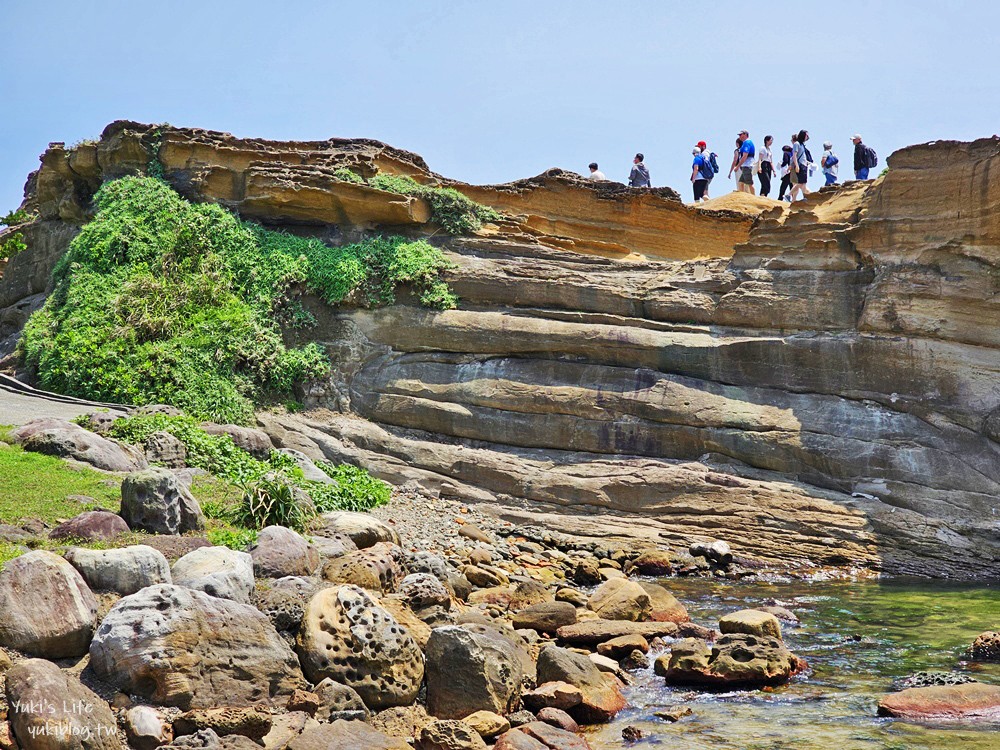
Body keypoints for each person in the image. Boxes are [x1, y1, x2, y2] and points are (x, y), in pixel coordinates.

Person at [729, 130, 756, 195]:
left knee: (749, 183)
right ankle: (742, 197)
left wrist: (737, 166)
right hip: (745, 166)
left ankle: (754, 197)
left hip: (747, 165)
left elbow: (745, 156)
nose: (739, 137)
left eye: (740, 135)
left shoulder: (747, 143)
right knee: (741, 183)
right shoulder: (745, 143)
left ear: (745, 135)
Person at [790, 129, 811, 201]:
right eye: (806, 135)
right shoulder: (797, 144)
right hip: (801, 165)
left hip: (804, 165)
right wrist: (797, 165)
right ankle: (789, 195)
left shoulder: (802, 145)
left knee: (802, 184)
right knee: (801, 183)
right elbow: (794, 155)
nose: (807, 137)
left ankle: (804, 198)